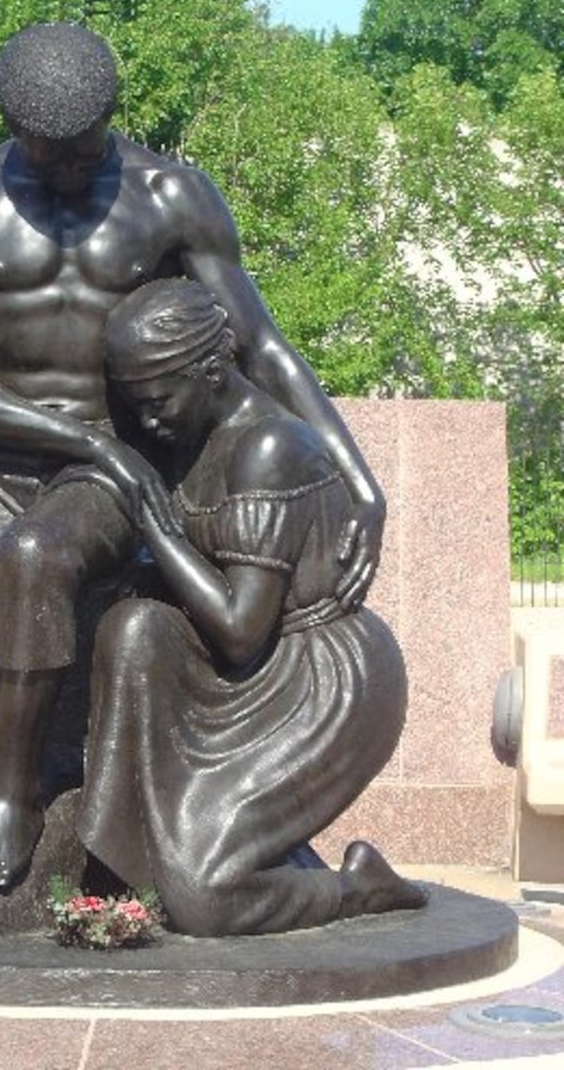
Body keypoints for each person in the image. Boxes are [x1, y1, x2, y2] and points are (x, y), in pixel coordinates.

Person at [0, 22, 387, 908]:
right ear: (15, 133)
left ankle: (11, 799)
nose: (65, 175)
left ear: (109, 122)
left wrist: (358, 479)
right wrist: (75, 439)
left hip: (116, 467)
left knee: (36, 558)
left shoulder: (172, 195)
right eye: (46, 158)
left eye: (82, 154)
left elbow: (261, 346)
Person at [76, 278, 427, 935]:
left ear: (212, 371)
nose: (148, 420)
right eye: (136, 404)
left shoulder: (267, 447)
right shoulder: (190, 433)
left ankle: (359, 886)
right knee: (133, 627)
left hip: (321, 678)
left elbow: (240, 628)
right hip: (244, 677)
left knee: (205, 899)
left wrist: (156, 528)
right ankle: (133, 868)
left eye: (158, 400)